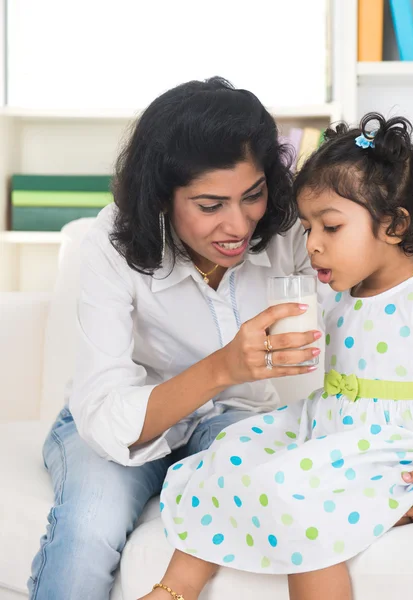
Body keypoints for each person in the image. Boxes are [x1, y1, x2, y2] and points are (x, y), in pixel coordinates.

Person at [150, 113, 413, 600]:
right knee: (231, 452)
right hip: (336, 429)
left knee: (291, 488)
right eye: (306, 227)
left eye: (331, 227)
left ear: (394, 224)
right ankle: (173, 591)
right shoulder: (337, 297)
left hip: (410, 446)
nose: (313, 244)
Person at [28, 77, 322, 600]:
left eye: (252, 195)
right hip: (122, 421)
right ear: (163, 198)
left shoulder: (292, 231)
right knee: (89, 528)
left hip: (236, 421)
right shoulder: (112, 245)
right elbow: (103, 415)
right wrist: (222, 368)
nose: (238, 224)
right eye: (210, 205)